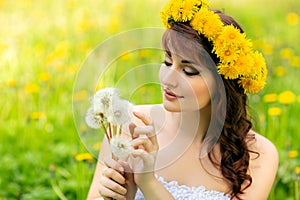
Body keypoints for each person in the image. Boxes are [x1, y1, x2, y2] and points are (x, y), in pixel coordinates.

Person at [87, 0, 278, 199]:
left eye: (189, 71)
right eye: (167, 61)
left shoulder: (259, 155)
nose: (168, 79)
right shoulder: (129, 126)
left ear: (223, 84)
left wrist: (148, 182)